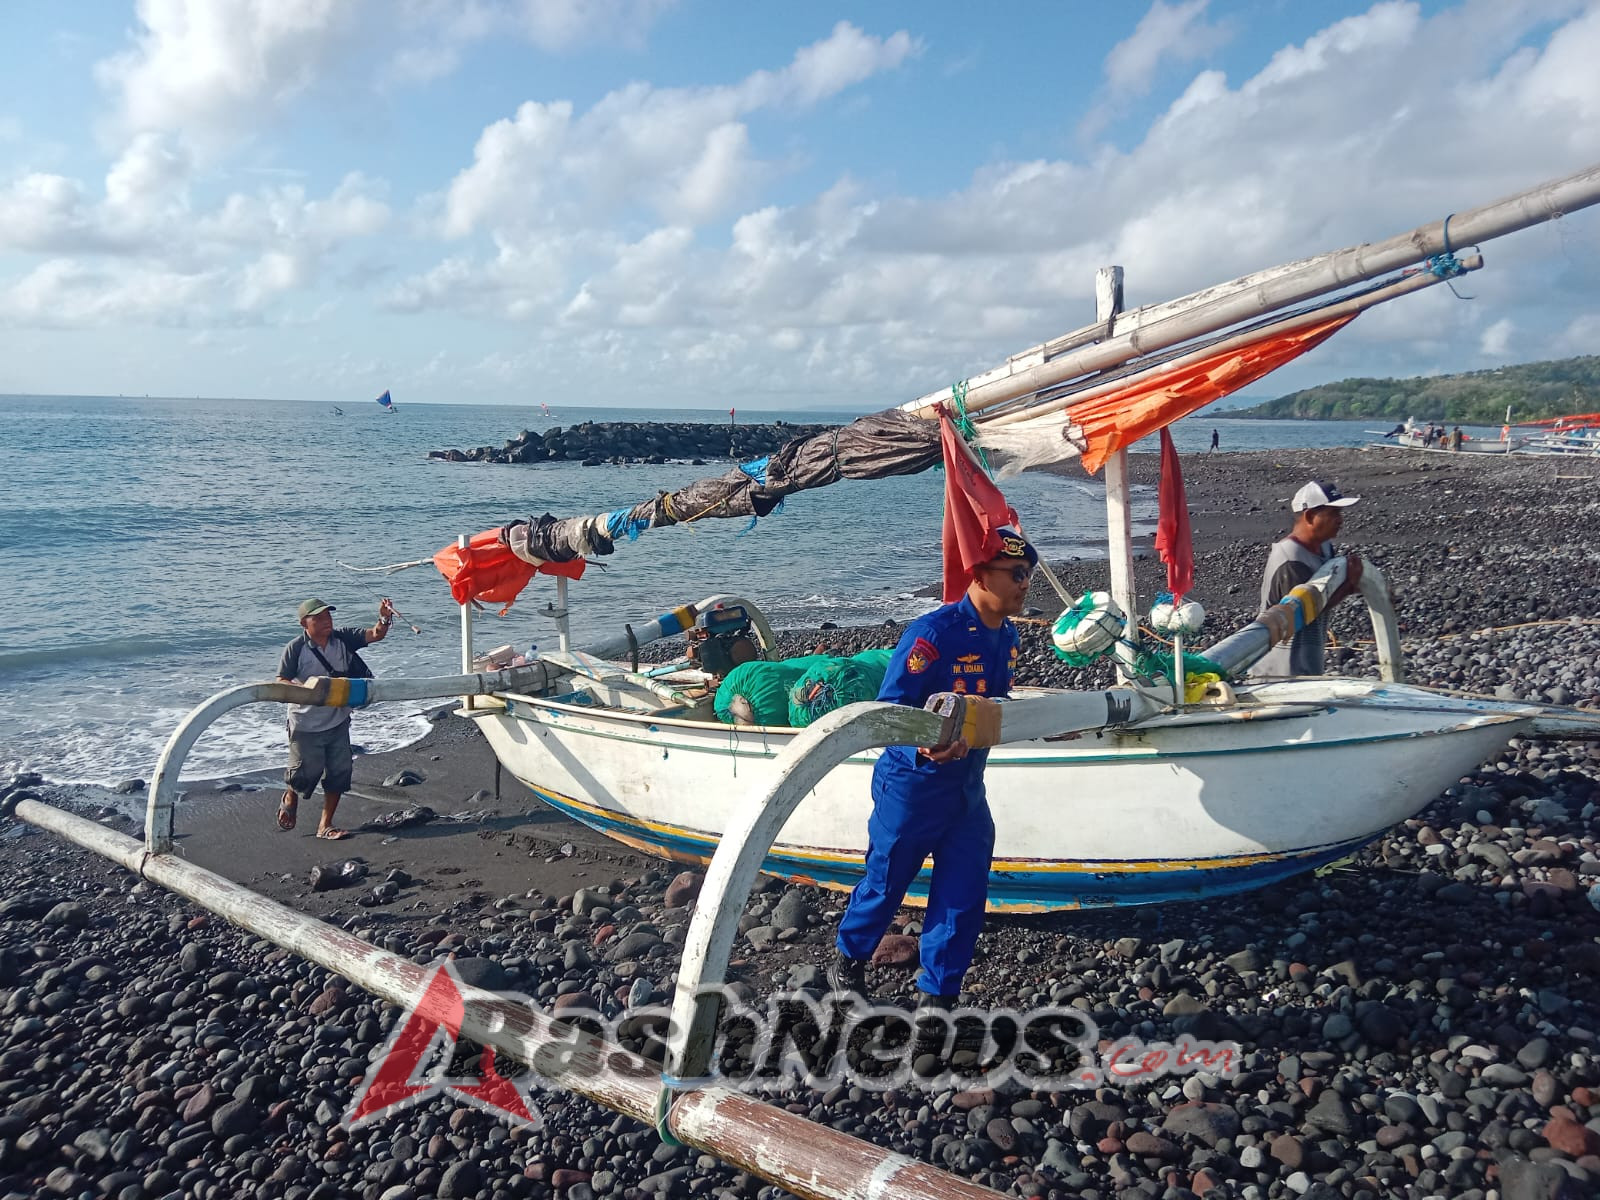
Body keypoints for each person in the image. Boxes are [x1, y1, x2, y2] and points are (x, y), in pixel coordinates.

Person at [826, 529, 1032, 1011]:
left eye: (1028, 575)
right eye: (1017, 574)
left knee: (963, 894)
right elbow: (890, 709)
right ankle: (848, 958)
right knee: (885, 882)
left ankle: (938, 999)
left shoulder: (1009, 637)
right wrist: (925, 748)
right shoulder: (933, 636)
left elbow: (994, 705)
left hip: (966, 790)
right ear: (980, 575)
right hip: (912, 785)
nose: (1025, 585)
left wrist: (1036, 722)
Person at [276, 597, 395, 839]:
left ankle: (325, 825)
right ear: (304, 624)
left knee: (339, 772)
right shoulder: (296, 648)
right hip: (305, 723)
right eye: (318, 618)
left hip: (338, 719)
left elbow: (375, 634)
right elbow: (281, 682)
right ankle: (291, 794)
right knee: (303, 775)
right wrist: (307, 692)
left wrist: (384, 617)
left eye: (328, 616)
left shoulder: (342, 639)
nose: (325, 621)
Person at [1250, 482, 1362, 679]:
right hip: (1281, 669)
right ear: (1310, 516)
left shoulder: (1324, 547)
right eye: (1334, 514)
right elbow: (1302, 613)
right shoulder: (1291, 558)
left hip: (1307, 659)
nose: (1340, 520)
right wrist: (1348, 586)